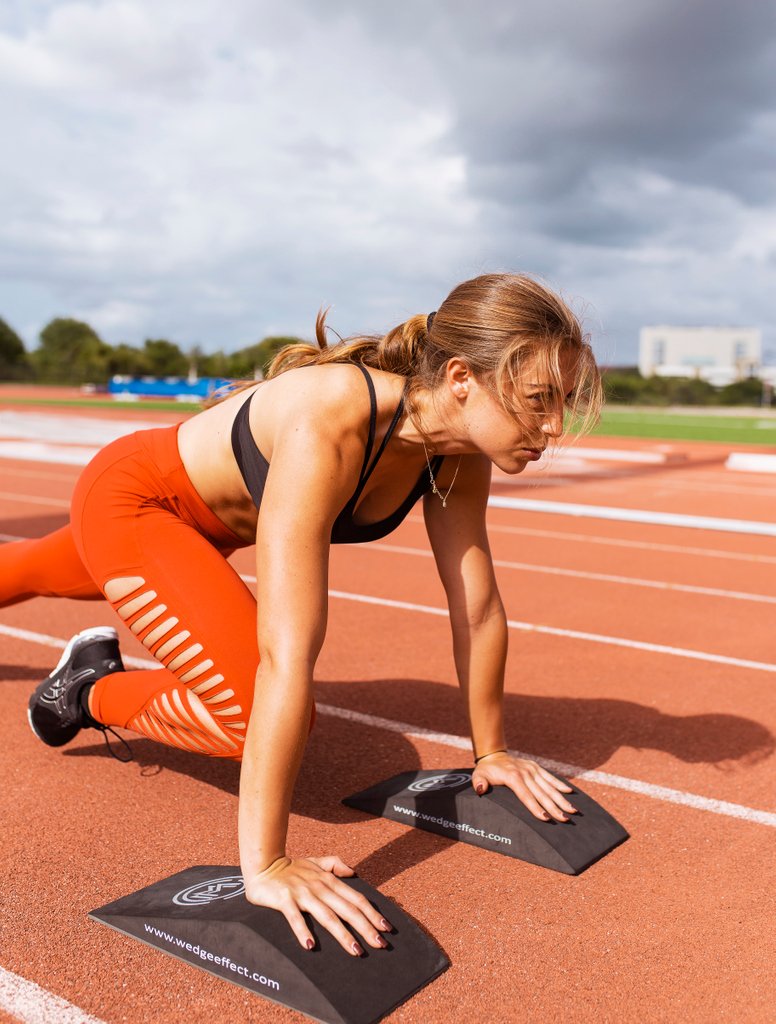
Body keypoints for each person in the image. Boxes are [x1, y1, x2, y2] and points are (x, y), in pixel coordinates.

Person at [4, 273, 601, 959]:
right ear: (462, 376)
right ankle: (83, 691)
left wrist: (490, 752)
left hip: (204, 529)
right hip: (137, 501)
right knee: (243, 707)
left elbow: (478, 606)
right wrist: (268, 866)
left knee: (23, 570)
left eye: (564, 403)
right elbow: (287, 655)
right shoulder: (333, 417)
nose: (553, 428)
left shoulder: (459, 452)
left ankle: (83, 681)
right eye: (539, 401)